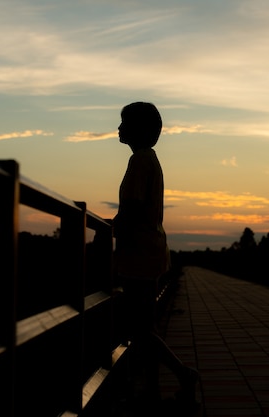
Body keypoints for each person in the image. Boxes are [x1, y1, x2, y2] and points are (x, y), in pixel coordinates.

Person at [113, 102, 199, 408]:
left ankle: (182, 373)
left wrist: (111, 229)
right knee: (144, 327)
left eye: (124, 123)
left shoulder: (140, 161)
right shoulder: (149, 159)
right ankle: (152, 390)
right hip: (150, 252)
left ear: (142, 130)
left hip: (140, 255)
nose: (119, 128)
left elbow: (132, 208)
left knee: (140, 329)